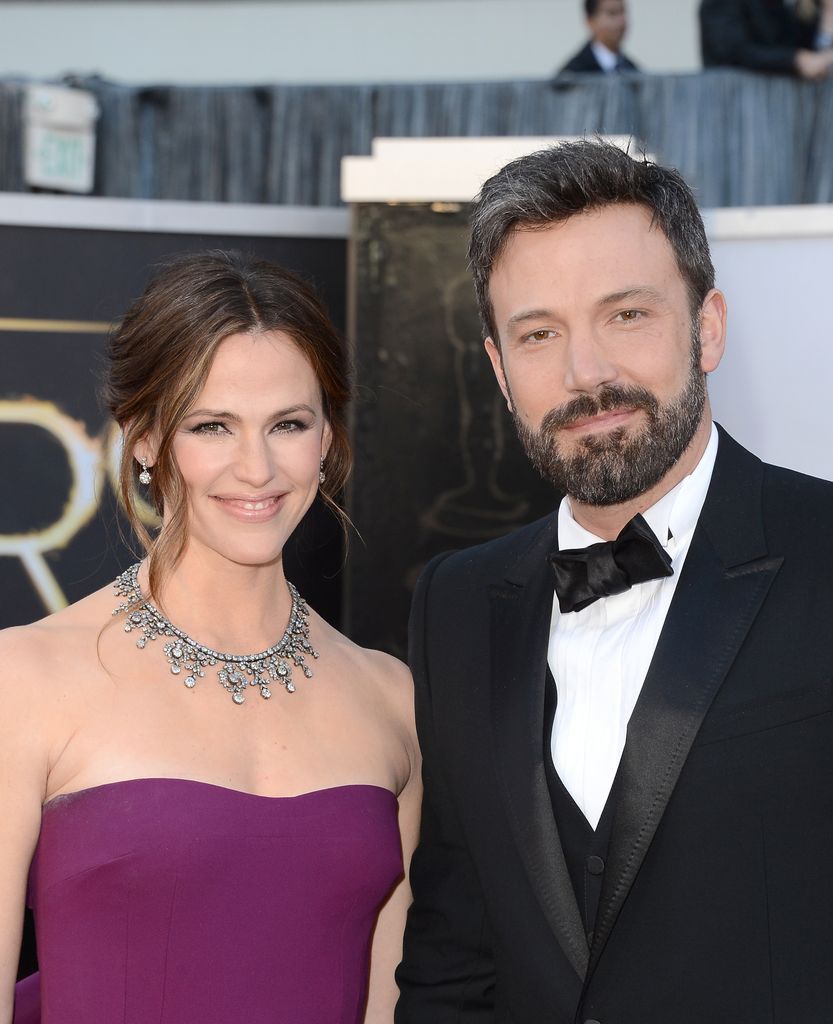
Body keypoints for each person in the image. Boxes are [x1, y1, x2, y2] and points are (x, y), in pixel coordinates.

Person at [395, 140, 833, 1022]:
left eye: (625, 315)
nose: (584, 373)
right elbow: (452, 953)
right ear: (497, 369)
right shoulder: (454, 604)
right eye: (539, 333)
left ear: (706, 327)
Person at [1, 250, 421, 1024]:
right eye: (212, 426)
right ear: (146, 441)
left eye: (288, 424)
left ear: (325, 437)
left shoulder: (391, 699)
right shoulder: (23, 679)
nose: (256, 468)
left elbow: (390, 1000)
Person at [700, 0, 833, 79]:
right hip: (730, 105)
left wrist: (829, 11)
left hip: (777, 107)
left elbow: (810, 56)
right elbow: (731, 51)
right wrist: (796, 59)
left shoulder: (780, 5)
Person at [558, 0, 639, 75]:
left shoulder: (633, 71)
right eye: (612, 13)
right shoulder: (573, 74)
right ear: (590, 21)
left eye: (623, 12)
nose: (621, 21)